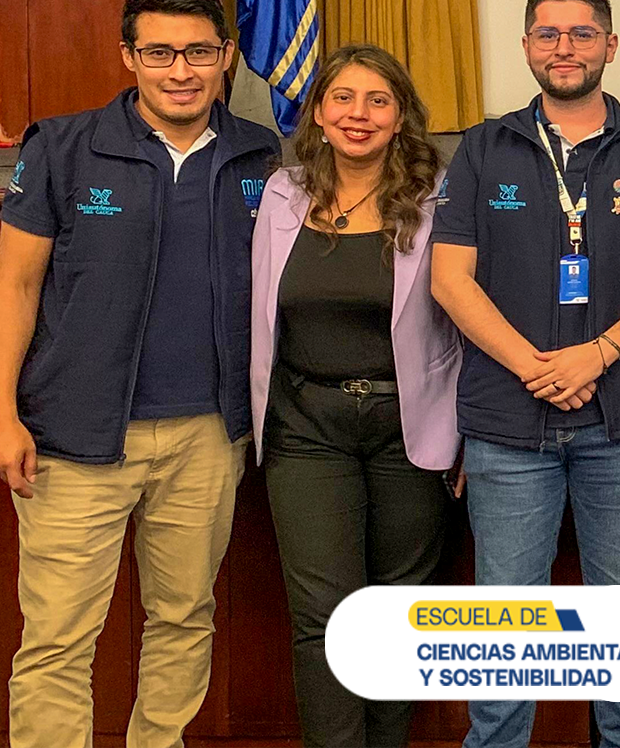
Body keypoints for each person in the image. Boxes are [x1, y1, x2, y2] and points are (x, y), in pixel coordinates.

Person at [0, 0, 278, 748]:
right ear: (129, 57)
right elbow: (14, 288)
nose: (181, 71)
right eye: (160, 52)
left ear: (226, 57)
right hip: (75, 438)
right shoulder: (63, 147)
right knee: (57, 637)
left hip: (208, 436)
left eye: (199, 52)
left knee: (185, 616)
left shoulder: (262, 155)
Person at [431, 0, 620, 748]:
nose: (564, 48)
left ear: (611, 45)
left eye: (581, 34)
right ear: (527, 47)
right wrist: (535, 366)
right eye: (547, 34)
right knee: (506, 618)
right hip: (509, 425)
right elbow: (450, 279)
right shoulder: (485, 147)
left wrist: (597, 355)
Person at [250, 43, 460, 747]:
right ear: (317, 111)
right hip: (306, 427)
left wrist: (468, 432)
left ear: (401, 116)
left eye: (378, 100)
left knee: (399, 615)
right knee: (324, 617)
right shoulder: (282, 195)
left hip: (411, 428)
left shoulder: (439, 198)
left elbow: (464, 319)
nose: (358, 114)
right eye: (342, 98)